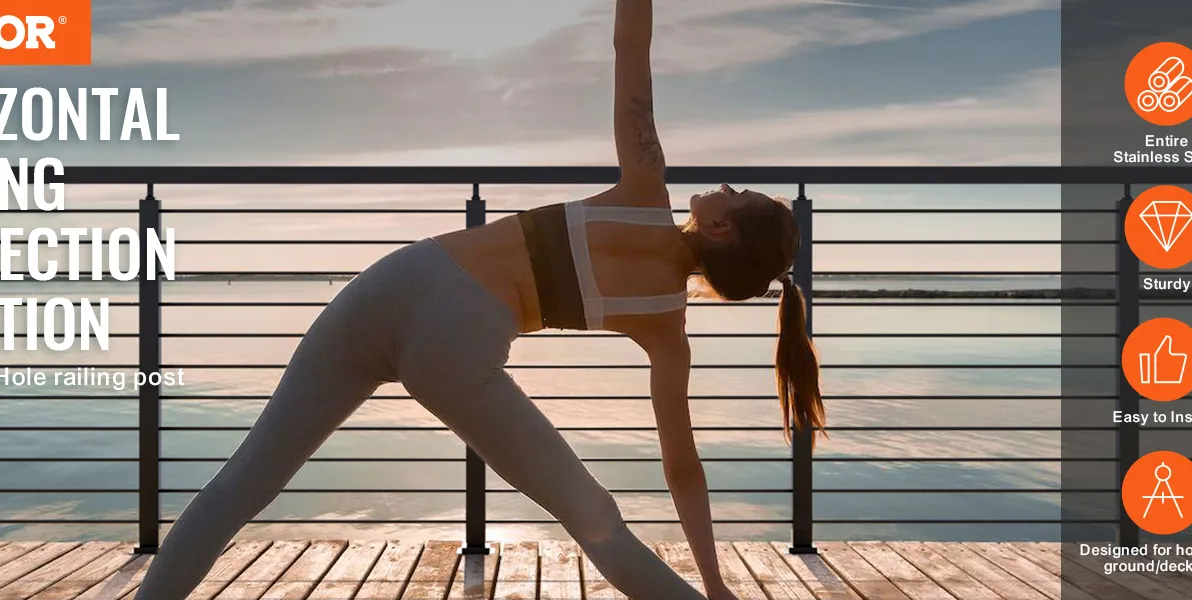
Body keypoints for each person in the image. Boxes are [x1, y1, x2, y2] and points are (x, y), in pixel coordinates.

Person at [132, 1, 823, 598]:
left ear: (724, 226)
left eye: (737, 193)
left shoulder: (647, 185)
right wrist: (713, 578)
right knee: (597, 521)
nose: (727, 187)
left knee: (245, 484)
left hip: (395, 282)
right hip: (457, 345)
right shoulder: (666, 330)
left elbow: (630, 47)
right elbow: (683, 469)